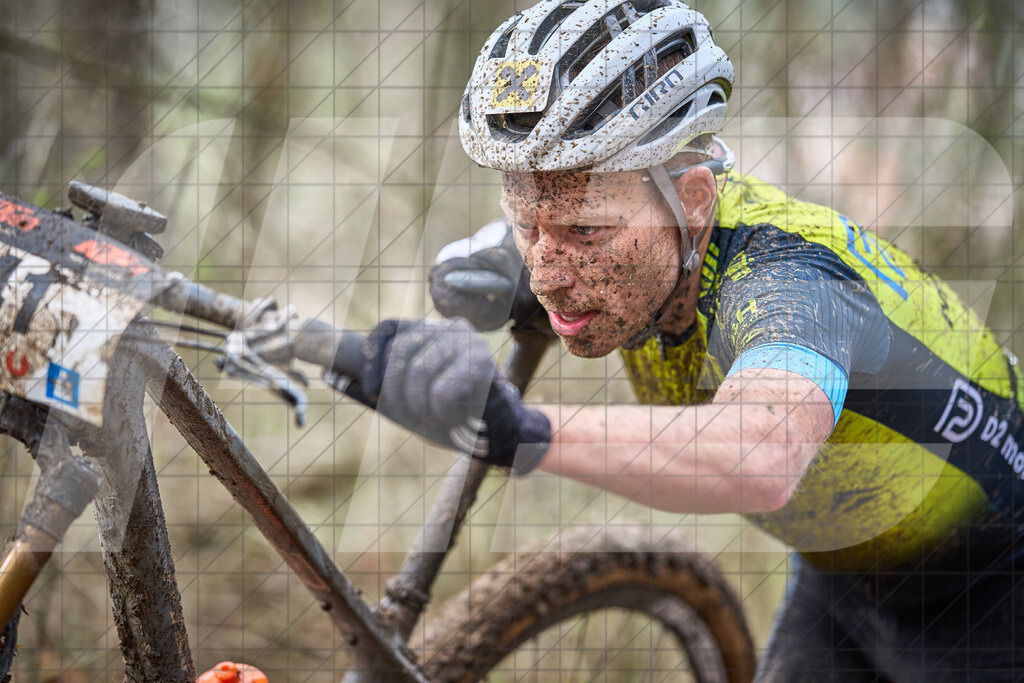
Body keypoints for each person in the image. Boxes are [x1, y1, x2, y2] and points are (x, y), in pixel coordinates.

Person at [328, 1, 1024, 680]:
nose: (548, 275)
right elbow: (529, 244)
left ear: (692, 200)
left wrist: (525, 430)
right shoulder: (631, 233)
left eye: (586, 231)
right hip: (842, 575)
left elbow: (763, 455)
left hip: (995, 584)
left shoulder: (790, 281)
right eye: (527, 223)